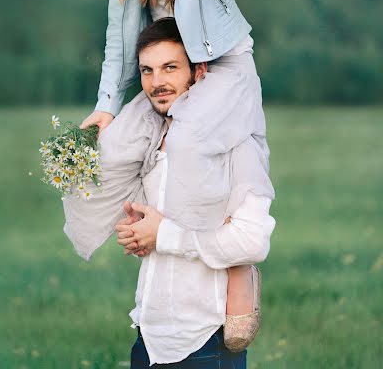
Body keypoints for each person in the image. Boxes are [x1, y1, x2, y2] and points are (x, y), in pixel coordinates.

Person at [76, 0, 272, 354]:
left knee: (195, 154)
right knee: (115, 155)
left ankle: (239, 275)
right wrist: (108, 102)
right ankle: (157, 262)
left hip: (221, 62)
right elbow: (120, 15)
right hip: (167, 64)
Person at [112, 18, 276, 367]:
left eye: (170, 67)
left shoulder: (237, 143)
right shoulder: (154, 141)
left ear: (199, 71)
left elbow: (253, 241)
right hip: (148, 338)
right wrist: (139, 235)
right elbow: (166, 230)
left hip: (206, 342)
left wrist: (165, 235)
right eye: (147, 71)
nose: (157, 82)